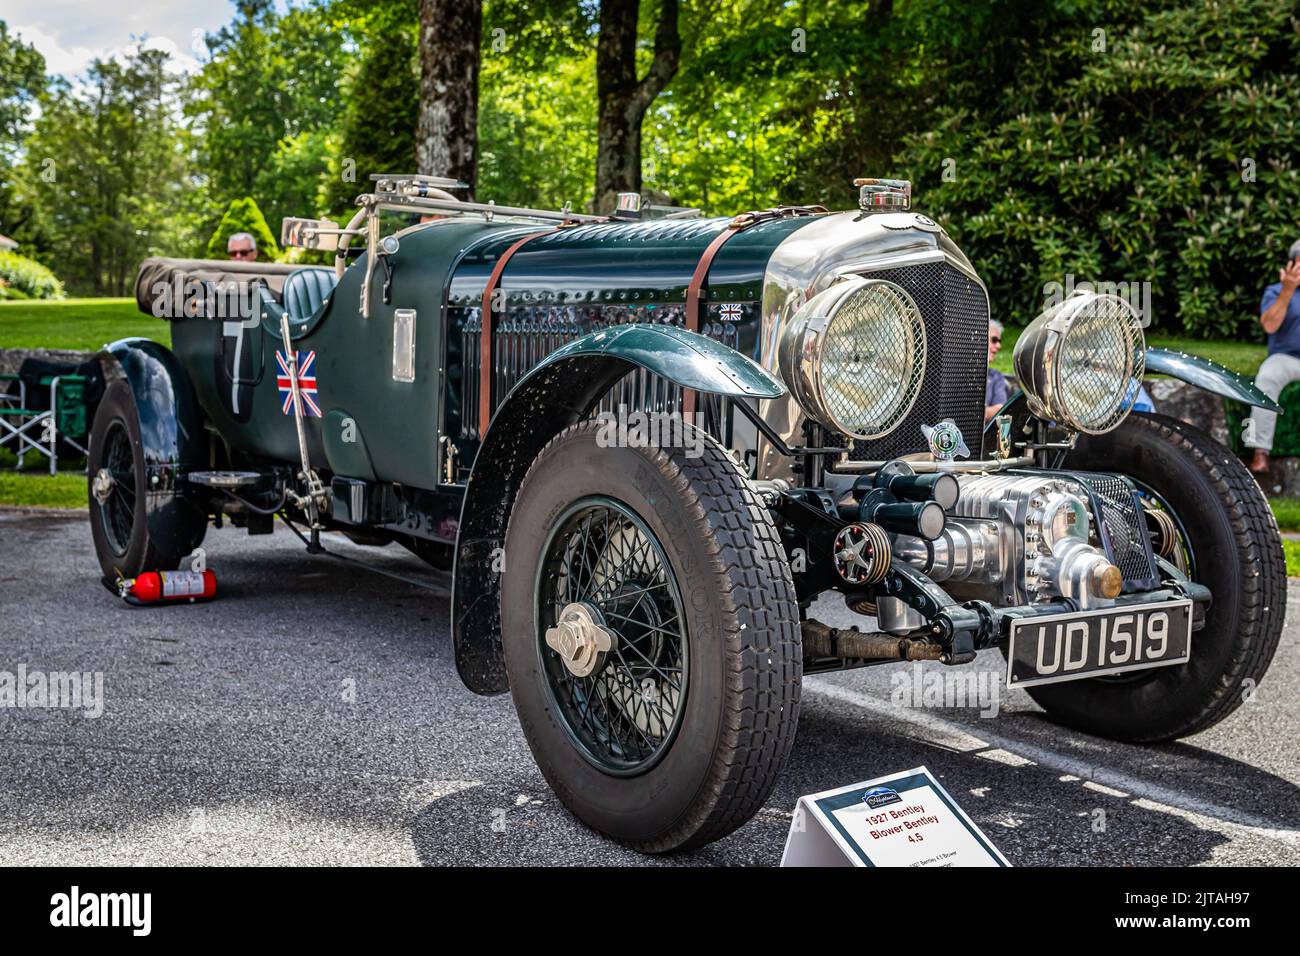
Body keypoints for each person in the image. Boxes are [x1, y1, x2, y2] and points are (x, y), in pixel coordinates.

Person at [1246, 239, 1300, 474]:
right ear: (1291, 263)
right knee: (1267, 378)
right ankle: (1260, 452)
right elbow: (1269, 325)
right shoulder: (1275, 291)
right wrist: (1287, 292)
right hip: (1285, 358)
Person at [985, 319, 1011, 422]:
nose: (999, 346)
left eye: (999, 341)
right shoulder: (957, 372)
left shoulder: (995, 376)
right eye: (994, 340)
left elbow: (1000, 409)